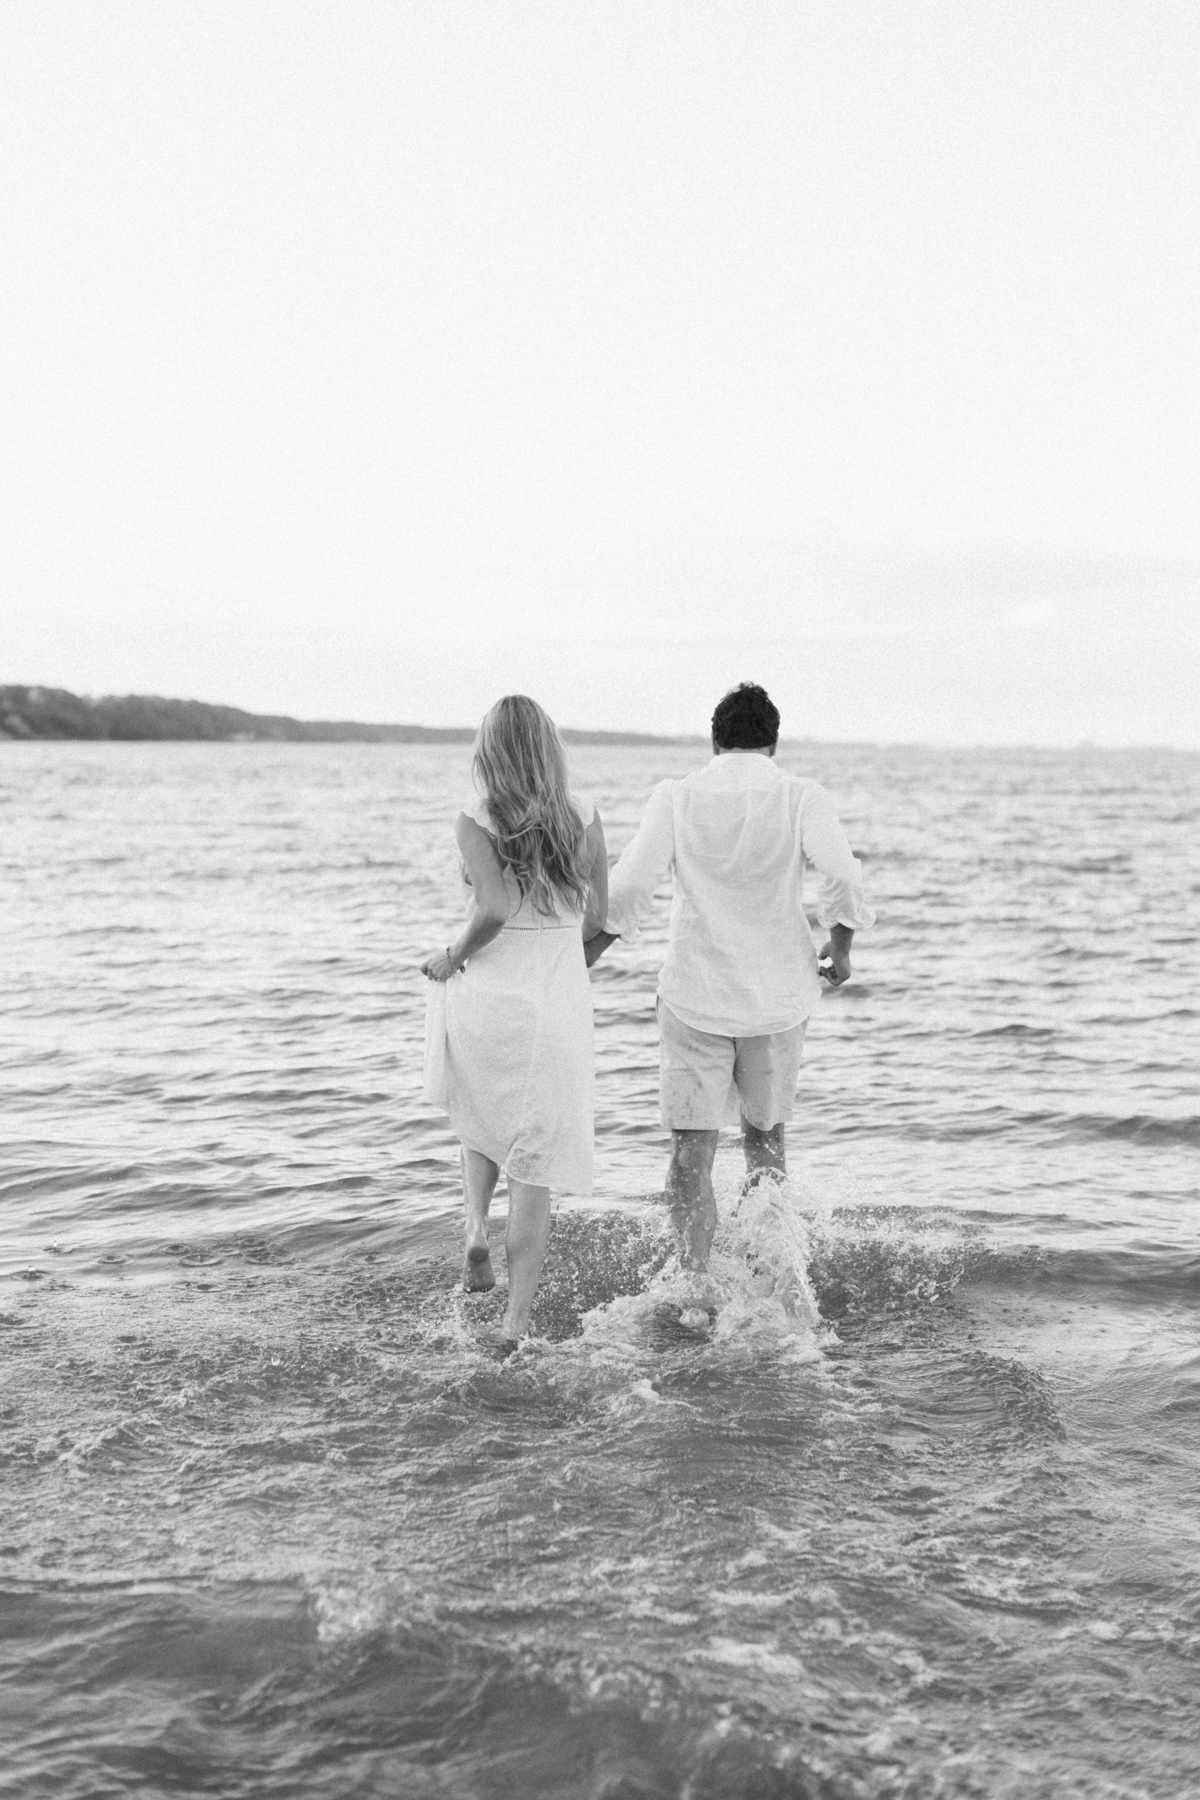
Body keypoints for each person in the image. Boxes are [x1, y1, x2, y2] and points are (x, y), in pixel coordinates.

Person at [585, 681, 874, 1278]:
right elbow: (842, 875)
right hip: (777, 999)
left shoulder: (677, 796)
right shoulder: (801, 795)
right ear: (773, 743)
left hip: (695, 995)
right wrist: (841, 949)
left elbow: (633, 883)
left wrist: (586, 954)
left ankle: (694, 1280)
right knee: (765, 1141)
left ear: (715, 741)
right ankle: (771, 1275)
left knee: (691, 1153)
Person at [421, 695, 608, 1350]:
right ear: (548, 748)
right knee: (536, 1164)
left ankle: (475, 1230)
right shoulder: (583, 815)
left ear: (491, 752)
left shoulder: (476, 819)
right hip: (555, 1002)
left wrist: (451, 957)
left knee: (479, 1113)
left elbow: (494, 908)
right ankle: (515, 1322)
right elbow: (597, 919)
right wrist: (564, 954)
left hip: (491, 994)